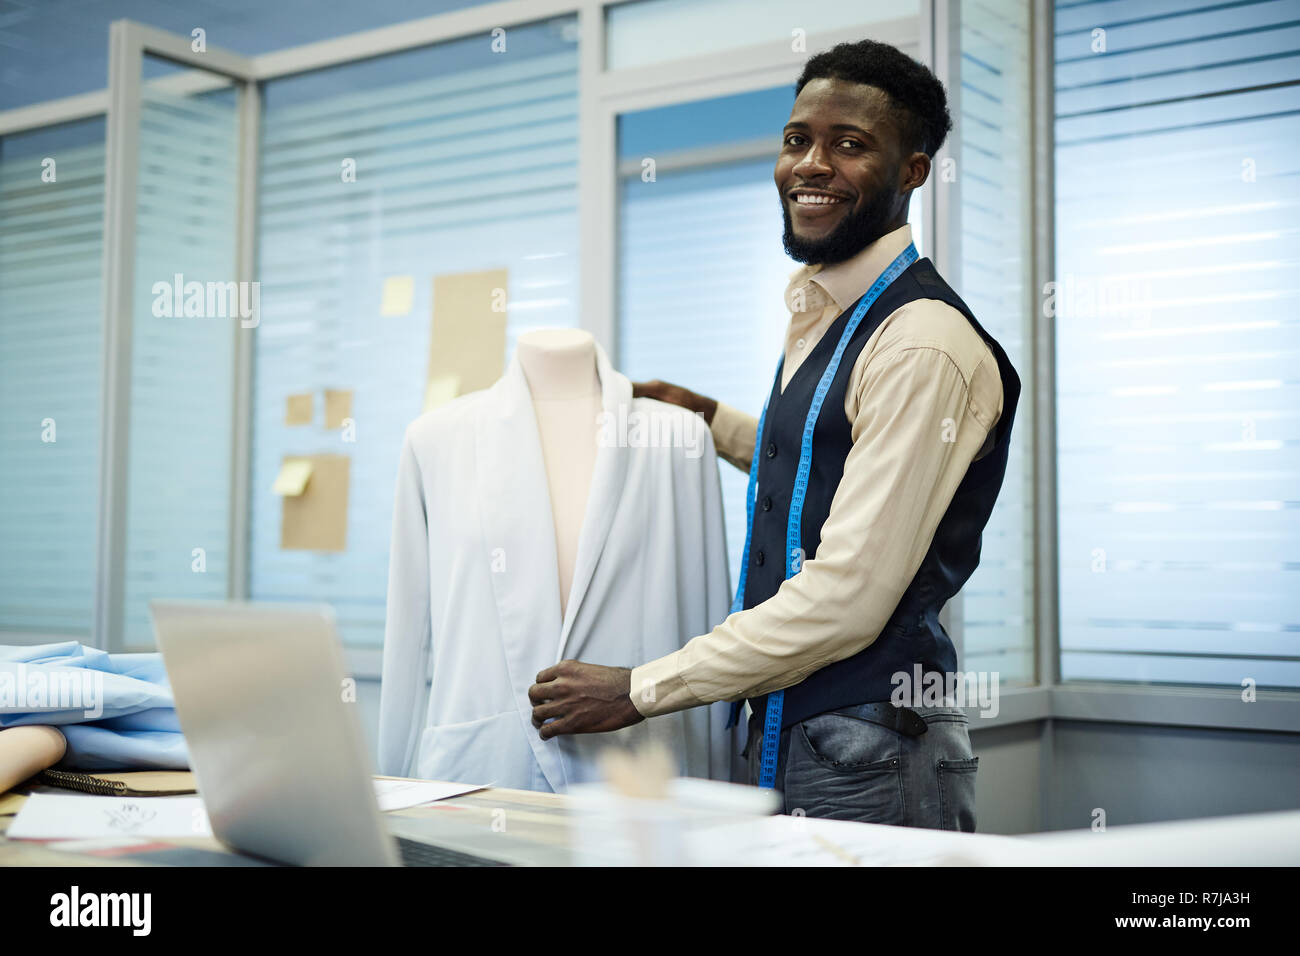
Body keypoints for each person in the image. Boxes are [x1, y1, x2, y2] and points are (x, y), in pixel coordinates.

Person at [528, 38, 1020, 829]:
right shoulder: (828, 311)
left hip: (872, 750)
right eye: (798, 140)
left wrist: (638, 689)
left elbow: (848, 597)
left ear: (913, 173)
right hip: (803, 734)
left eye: (849, 145)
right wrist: (712, 420)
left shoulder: (922, 342)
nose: (810, 165)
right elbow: (831, 469)